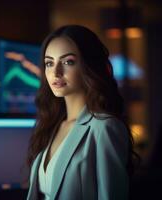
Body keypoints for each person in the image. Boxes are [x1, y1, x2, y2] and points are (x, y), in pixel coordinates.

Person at [25, 25, 139, 200]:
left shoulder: (104, 127)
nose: (56, 72)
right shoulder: (50, 125)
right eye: (49, 63)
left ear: (89, 65)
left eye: (68, 62)